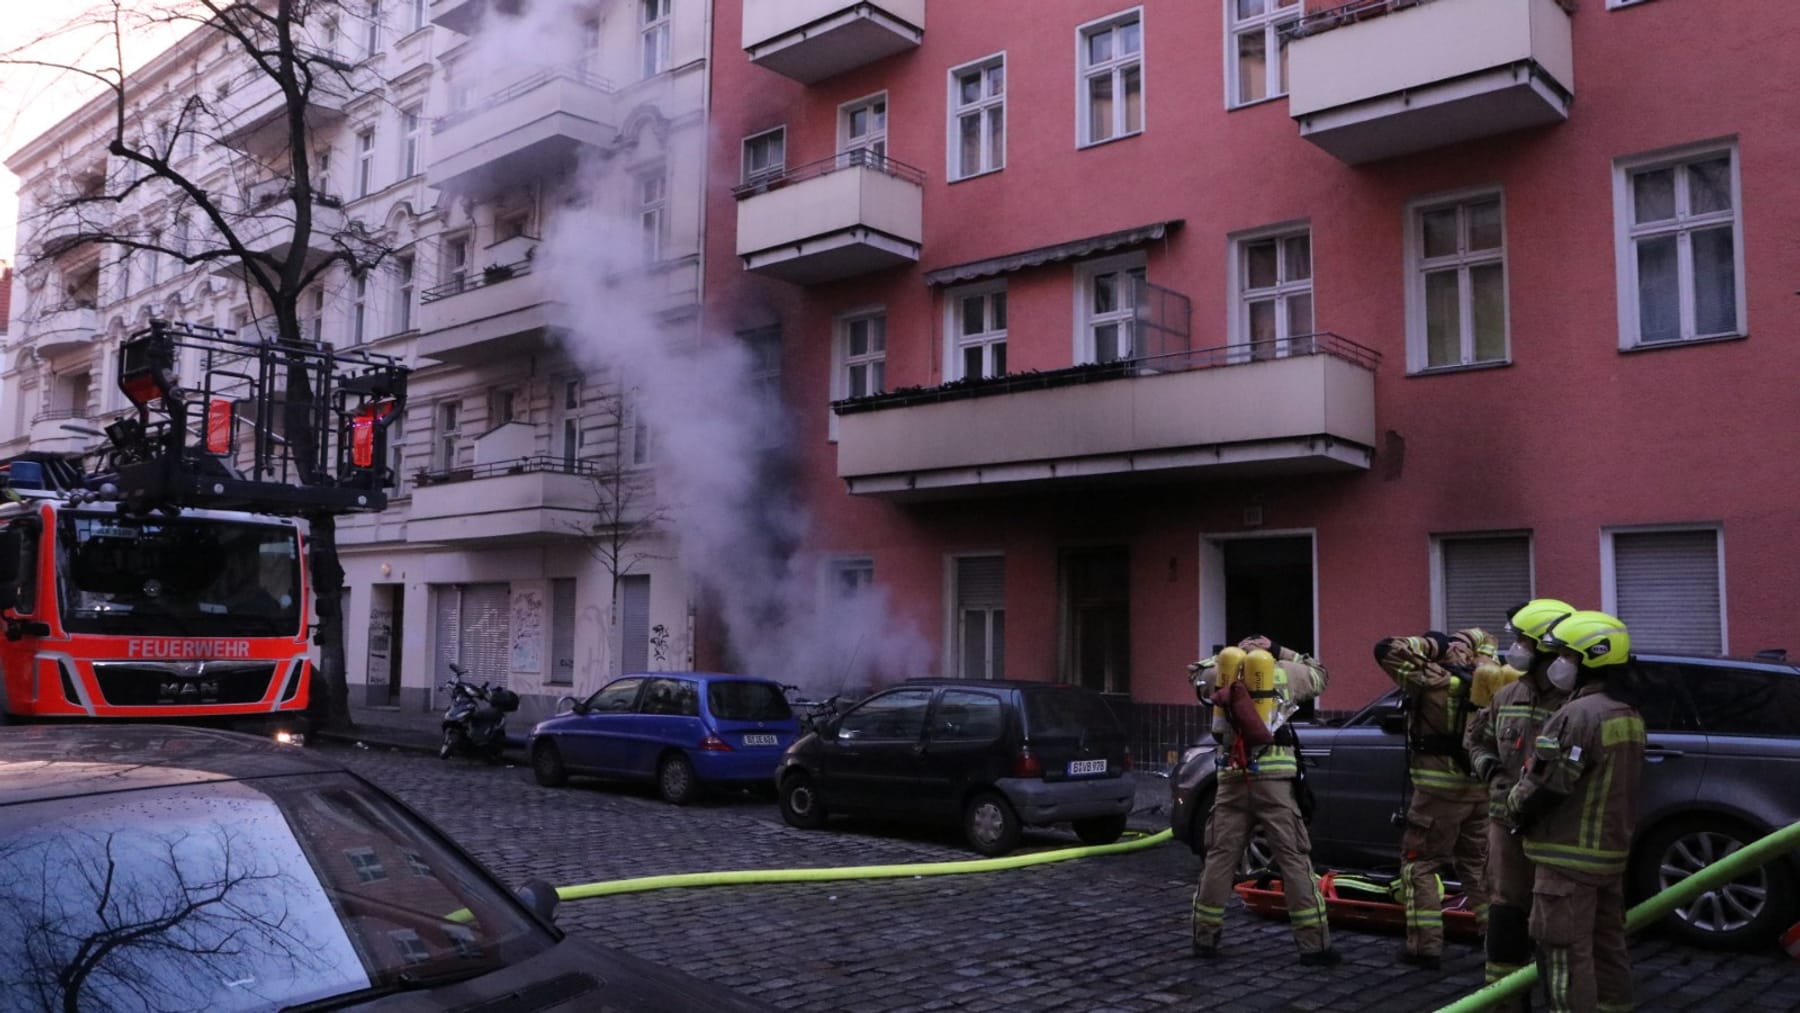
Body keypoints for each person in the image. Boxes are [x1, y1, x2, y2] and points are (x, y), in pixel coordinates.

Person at [1501, 611, 1644, 1013]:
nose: (1559, 663)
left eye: (1567, 654)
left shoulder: (1577, 715)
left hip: (1566, 858)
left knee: (1565, 954)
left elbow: (1547, 783)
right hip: (1609, 855)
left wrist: (1514, 809)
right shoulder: (1627, 712)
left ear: (1591, 659)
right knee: (1608, 945)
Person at [1188, 635, 1341, 965]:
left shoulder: (1221, 673)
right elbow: (1320, 673)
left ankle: (1205, 938)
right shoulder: (1285, 672)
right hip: (1274, 783)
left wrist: (1232, 655)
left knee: (1219, 858)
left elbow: (1195, 676)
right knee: (1293, 859)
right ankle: (1315, 947)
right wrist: (1278, 650)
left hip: (1231, 776)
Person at [1463, 598, 1575, 1005]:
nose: (1518, 650)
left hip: (1558, 827)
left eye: (1525, 642)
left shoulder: (1575, 704)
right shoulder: (1508, 694)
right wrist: (1488, 767)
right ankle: (1507, 997)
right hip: (1504, 826)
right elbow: (1476, 737)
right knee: (1506, 911)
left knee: (1555, 917)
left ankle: (1558, 992)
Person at [1373, 627, 1495, 970]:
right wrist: (1466, 643)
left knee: (1420, 864)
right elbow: (1487, 637)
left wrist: (1433, 644)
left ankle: (1424, 947)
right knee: (1476, 866)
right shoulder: (1491, 676)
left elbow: (1386, 645)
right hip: (1479, 789)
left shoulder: (1433, 679)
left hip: (1438, 792)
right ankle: (1496, 939)